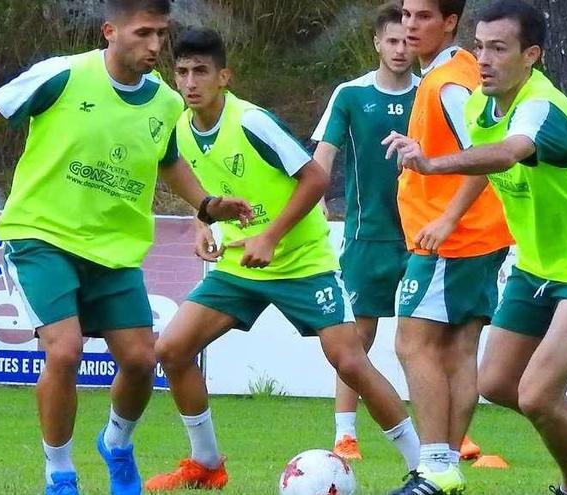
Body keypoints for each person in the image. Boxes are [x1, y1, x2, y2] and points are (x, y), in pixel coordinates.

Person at [0, 2, 250, 494]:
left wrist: (206, 204)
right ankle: (60, 474)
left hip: (114, 253)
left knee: (141, 360)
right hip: (41, 237)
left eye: (161, 34)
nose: (155, 46)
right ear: (110, 32)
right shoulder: (61, 76)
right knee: (65, 351)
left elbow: (169, 161)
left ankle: (116, 444)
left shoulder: (163, 102)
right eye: (143, 34)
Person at [143, 28, 421, 492]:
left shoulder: (252, 122)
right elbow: (201, 190)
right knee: (171, 350)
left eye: (201, 72)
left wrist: (270, 236)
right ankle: (207, 463)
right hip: (239, 268)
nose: (190, 82)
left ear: (224, 76)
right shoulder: (178, 127)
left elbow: (314, 180)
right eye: (182, 72)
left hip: (302, 263)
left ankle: (423, 467)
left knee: (349, 361)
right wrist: (202, 224)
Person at [384, 1, 567, 494]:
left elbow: (507, 152)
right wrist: (450, 215)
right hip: (536, 266)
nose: (484, 58)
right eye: (480, 46)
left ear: (532, 56)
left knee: (539, 394)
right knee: (498, 384)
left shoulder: (541, 107)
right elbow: (488, 165)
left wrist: (431, 164)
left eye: (499, 49)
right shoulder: (483, 104)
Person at [386, 0, 514, 493]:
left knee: (412, 342)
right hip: (482, 236)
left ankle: (435, 463)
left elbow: (486, 158)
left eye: (423, 16)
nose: (410, 24)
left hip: (452, 241)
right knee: (460, 350)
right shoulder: (451, 72)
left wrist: (446, 217)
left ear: (450, 22)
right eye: (406, 14)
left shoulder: (448, 84)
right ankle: (444, 470)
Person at [311, 1, 418, 461]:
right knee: (357, 338)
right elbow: (323, 157)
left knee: (425, 340)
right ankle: (345, 434)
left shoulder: (433, 92)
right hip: (366, 236)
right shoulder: (351, 94)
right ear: (376, 42)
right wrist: (316, 211)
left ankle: (444, 436)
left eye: (408, 41)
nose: (400, 48)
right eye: (391, 40)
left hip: (423, 236)